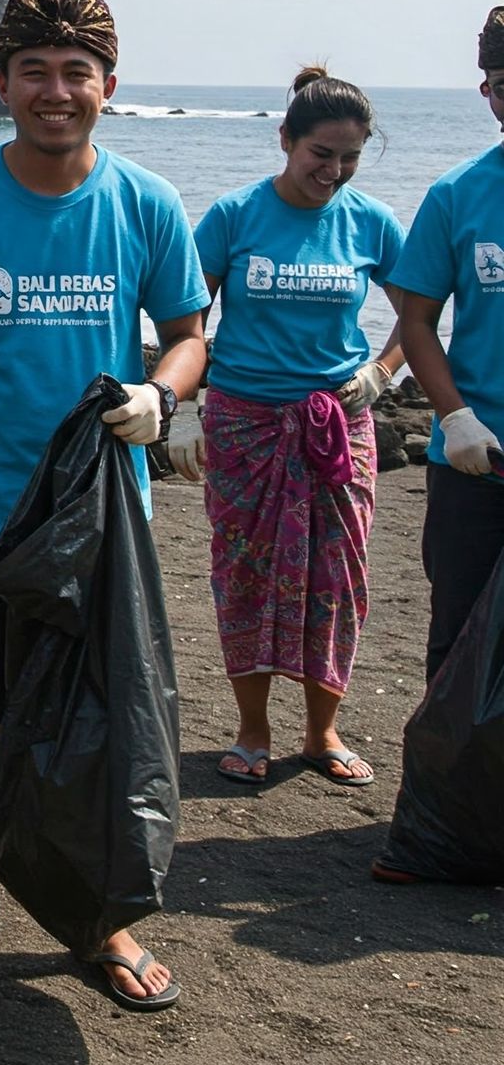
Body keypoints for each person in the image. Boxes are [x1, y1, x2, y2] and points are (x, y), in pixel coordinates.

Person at [0, 0, 206, 1009]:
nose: (54, 92)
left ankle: (96, 919)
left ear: (108, 87)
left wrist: (164, 392)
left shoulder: (144, 202)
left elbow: (191, 330)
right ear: (0, 84)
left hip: (101, 523)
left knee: (105, 723)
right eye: (34, 72)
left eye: (75, 74)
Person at [169, 67, 405, 788]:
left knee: (338, 578)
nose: (333, 172)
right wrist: (184, 403)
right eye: (320, 155)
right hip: (244, 423)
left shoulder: (371, 221)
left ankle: (321, 730)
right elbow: (186, 314)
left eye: (349, 159)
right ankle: (251, 729)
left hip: (339, 426)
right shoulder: (235, 216)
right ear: (286, 140)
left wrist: (381, 373)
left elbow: (417, 315)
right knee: (244, 574)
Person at [388, 4, 504, 686]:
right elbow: (419, 320)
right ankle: (453, 794)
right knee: (459, 647)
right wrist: (454, 417)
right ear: (488, 91)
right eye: (503, 79)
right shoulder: (458, 194)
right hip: (476, 466)